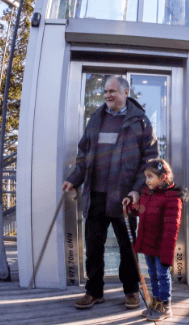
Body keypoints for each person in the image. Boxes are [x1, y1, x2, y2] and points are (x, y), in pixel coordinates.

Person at [63, 75, 158, 310]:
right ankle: (94, 291)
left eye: (113, 91)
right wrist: (74, 179)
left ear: (126, 93)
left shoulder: (141, 122)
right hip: (95, 194)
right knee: (93, 246)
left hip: (124, 196)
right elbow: (84, 155)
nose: (107, 95)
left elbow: (150, 161)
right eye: (105, 91)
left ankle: (131, 290)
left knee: (128, 247)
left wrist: (137, 190)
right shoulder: (96, 119)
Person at [123, 159, 188, 321]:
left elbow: (171, 229)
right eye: (146, 177)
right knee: (152, 274)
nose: (146, 181)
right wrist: (130, 205)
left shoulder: (173, 199)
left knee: (163, 275)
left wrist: (167, 254)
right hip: (148, 244)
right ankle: (156, 302)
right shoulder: (148, 194)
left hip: (161, 247)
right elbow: (141, 210)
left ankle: (166, 306)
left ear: (163, 177)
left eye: (150, 177)